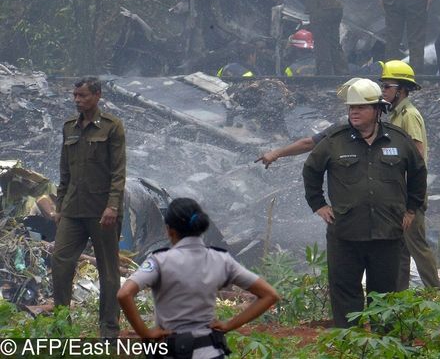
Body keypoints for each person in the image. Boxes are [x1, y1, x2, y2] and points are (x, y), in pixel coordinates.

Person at [302, 78, 426, 327]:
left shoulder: (398, 140)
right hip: (345, 233)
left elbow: (418, 172)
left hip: (387, 233)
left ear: (377, 110)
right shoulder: (334, 140)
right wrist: (319, 205)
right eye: (351, 108)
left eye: (361, 107)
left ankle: (384, 345)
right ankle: (351, 344)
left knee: (385, 297)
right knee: (346, 294)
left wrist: (412, 209)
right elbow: (311, 171)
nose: (354, 112)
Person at [118, 198, 279, 357]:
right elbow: (269, 295)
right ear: (201, 227)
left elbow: (124, 294)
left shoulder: (159, 260)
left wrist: (145, 333)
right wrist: (228, 325)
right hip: (210, 351)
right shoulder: (221, 259)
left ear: (169, 230)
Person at [50, 77, 127, 339]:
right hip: (72, 209)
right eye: (75, 95)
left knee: (108, 270)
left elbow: (118, 172)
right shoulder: (69, 127)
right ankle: (61, 326)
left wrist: (113, 206)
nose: (77, 100)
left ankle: (108, 330)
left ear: (97, 96)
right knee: (60, 262)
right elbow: (64, 171)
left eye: (82, 96)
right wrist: (59, 206)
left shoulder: (112, 126)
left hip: (102, 210)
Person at [379, 61, 440, 291]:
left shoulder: (409, 114)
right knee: (400, 247)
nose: (383, 90)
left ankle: (435, 292)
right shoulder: (396, 114)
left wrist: (410, 198)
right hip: (399, 191)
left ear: (402, 89)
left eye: (387, 86)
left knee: (416, 244)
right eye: (383, 86)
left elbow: (416, 154)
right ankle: (400, 296)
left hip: (409, 192)